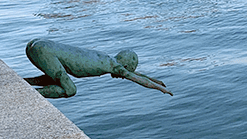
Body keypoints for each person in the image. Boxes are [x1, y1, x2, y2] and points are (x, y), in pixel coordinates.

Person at [24, 39, 172, 98]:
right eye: (127, 70)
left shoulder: (107, 59)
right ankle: (30, 96)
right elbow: (137, 79)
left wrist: (155, 80)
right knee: (70, 90)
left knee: (57, 77)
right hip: (44, 51)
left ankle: (24, 83)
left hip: (39, 45)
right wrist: (160, 89)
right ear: (126, 65)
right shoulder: (115, 66)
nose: (123, 75)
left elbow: (136, 75)